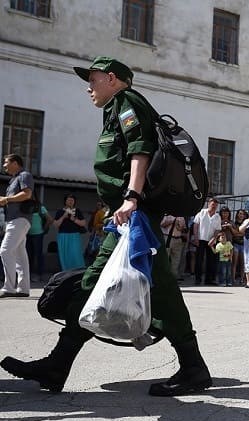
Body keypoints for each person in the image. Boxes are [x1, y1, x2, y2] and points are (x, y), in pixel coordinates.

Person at [0, 56, 211, 396]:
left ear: (112, 78)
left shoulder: (127, 103)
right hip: (129, 215)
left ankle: (59, 365)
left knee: (100, 282)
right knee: (154, 287)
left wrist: (130, 197)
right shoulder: (113, 109)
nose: (88, 87)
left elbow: (139, 152)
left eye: (93, 80)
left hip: (134, 214)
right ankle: (192, 366)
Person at [0, 154, 34, 298]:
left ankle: (9, 287)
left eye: (6, 162)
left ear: (15, 163)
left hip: (19, 219)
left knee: (5, 250)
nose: (4, 165)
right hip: (15, 220)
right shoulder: (13, 179)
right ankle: (23, 288)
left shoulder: (24, 175)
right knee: (20, 255)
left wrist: (6, 199)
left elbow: (27, 194)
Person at [192, 197, 221, 285]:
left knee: (211, 260)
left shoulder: (217, 216)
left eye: (215, 206)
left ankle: (209, 280)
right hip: (200, 239)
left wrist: (214, 238)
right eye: (213, 205)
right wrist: (196, 237)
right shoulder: (201, 213)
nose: (214, 207)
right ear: (209, 204)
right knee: (199, 260)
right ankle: (198, 279)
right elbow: (196, 225)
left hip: (211, 241)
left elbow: (217, 229)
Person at [26, 200, 53, 283]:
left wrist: (44, 229)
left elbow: (50, 219)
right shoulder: (25, 208)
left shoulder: (40, 208)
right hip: (27, 234)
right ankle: (28, 274)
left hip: (38, 234)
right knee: (28, 255)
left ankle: (39, 274)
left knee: (38, 255)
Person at [160, 214, 187, 279]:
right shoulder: (166, 215)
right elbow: (162, 224)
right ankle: (164, 277)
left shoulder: (181, 216)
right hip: (168, 238)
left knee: (176, 260)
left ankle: (173, 278)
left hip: (178, 239)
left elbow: (183, 228)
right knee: (165, 258)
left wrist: (181, 226)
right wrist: (173, 220)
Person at [231, 209, 247, 284]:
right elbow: (234, 234)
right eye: (240, 214)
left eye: (242, 214)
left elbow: (244, 233)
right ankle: (233, 279)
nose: (241, 215)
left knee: (242, 263)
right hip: (235, 244)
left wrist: (238, 233)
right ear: (237, 214)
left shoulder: (245, 223)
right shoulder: (234, 223)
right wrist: (239, 233)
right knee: (235, 262)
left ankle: (241, 279)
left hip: (243, 244)